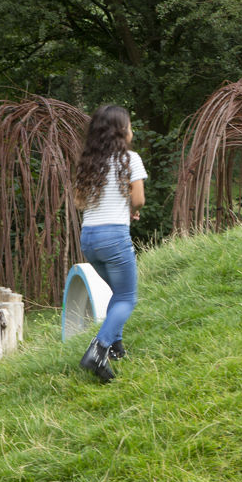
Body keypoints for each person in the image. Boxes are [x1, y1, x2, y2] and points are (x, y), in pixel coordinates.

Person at [74, 105, 147, 382]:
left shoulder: (89, 162)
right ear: (121, 131)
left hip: (89, 237)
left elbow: (81, 201)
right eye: (129, 126)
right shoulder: (130, 159)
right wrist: (131, 208)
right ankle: (99, 349)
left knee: (118, 293)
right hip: (114, 237)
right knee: (127, 297)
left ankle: (116, 349)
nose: (132, 130)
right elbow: (138, 199)